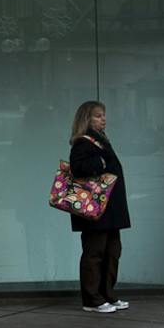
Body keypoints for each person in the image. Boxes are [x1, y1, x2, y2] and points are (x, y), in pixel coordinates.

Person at [66, 100, 130, 315]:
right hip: (95, 209)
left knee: (112, 251)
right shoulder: (84, 142)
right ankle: (92, 299)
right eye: (97, 115)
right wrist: (101, 162)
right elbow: (78, 168)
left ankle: (107, 294)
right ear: (87, 119)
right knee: (95, 252)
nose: (103, 119)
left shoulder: (101, 140)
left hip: (108, 209)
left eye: (103, 115)